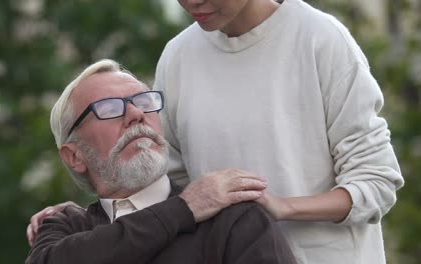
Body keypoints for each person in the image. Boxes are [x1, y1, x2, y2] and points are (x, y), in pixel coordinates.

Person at [29, 0, 405, 263]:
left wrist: (281, 207)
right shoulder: (178, 57)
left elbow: (376, 182)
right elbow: (162, 184)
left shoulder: (320, 39)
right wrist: (96, 214)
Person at [25, 58, 297, 264]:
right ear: (75, 156)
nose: (135, 114)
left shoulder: (233, 219)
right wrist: (184, 209)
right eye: (109, 109)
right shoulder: (66, 228)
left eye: (144, 101)